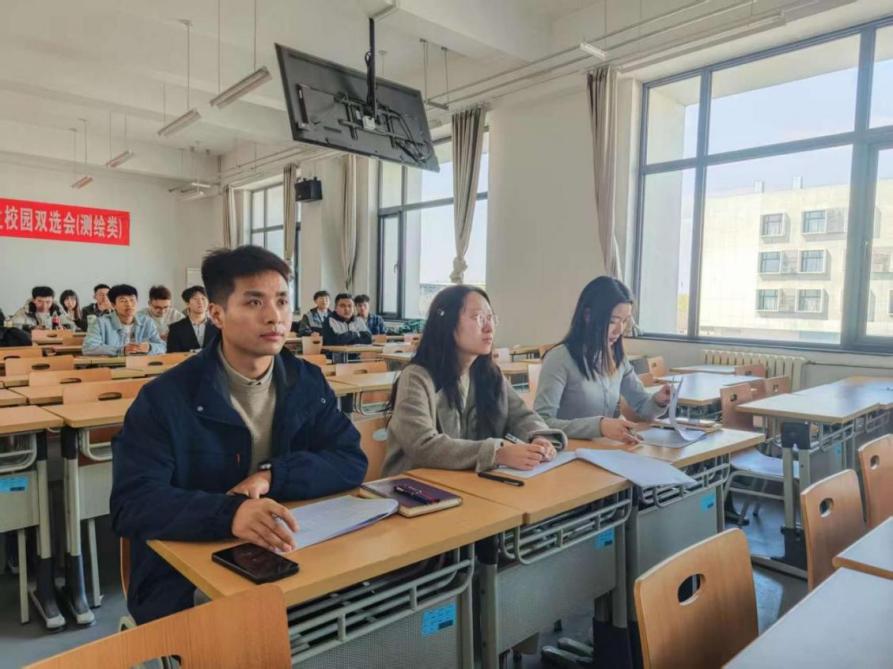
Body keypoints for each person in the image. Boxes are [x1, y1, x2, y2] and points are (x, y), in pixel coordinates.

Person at [110, 245, 367, 624]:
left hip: (290, 552)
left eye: (282, 301)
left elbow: (350, 460)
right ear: (217, 314)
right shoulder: (165, 398)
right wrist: (230, 514)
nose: (274, 316)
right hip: (187, 573)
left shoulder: (306, 381)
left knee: (369, 608)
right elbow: (133, 503)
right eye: (254, 302)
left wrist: (274, 475)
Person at [383, 285, 564, 476]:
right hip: (415, 484)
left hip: (468, 481)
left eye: (491, 318)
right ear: (447, 324)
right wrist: (497, 453)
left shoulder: (490, 374)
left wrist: (539, 438)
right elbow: (422, 445)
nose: (489, 327)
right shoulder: (416, 377)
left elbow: (522, 416)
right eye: (478, 318)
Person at [533, 277, 671, 442]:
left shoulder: (618, 359)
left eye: (625, 321)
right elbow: (542, 423)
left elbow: (643, 405)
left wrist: (659, 401)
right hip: (570, 451)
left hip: (604, 449)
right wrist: (599, 427)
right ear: (588, 315)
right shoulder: (559, 358)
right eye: (612, 321)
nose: (619, 330)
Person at [82, 284, 165, 356]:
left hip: (142, 366)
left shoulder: (147, 322)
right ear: (113, 304)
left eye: (132, 300)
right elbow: (88, 348)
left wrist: (150, 347)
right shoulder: (100, 323)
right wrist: (121, 350)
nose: (129, 304)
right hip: (111, 367)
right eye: (123, 301)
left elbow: (162, 346)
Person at [166, 285, 219, 353]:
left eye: (203, 298)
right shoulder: (175, 328)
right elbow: (172, 355)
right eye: (195, 299)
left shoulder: (218, 326)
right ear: (187, 303)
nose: (200, 302)